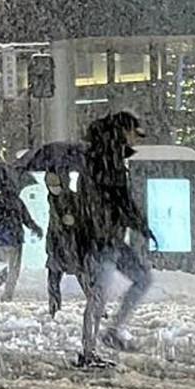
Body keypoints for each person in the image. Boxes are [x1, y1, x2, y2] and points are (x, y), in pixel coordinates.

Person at [74, 111, 154, 368]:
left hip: (112, 237)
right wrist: (138, 223)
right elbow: (118, 200)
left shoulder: (108, 159)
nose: (136, 139)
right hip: (101, 238)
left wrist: (135, 223)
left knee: (142, 278)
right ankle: (88, 351)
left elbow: (118, 201)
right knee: (99, 295)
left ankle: (111, 332)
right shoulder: (105, 161)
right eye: (133, 133)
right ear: (123, 131)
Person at [0, 183, 44, 301]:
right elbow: (26, 218)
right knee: (14, 270)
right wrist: (35, 228)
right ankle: (6, 296)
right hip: (13, 239)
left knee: (13, 268)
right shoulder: (15, 201)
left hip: (1, 239)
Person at [43, 170, 82, 317]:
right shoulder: (51, 199)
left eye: (56, 184)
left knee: (82, 277)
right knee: (53, 279)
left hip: (70, 244)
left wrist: (72, 220)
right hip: (56, 245)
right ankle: (54, 309)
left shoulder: (71, 197)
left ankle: (97, 306)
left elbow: (81, 217)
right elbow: (53, 223)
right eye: (50, 185)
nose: (54, 188)